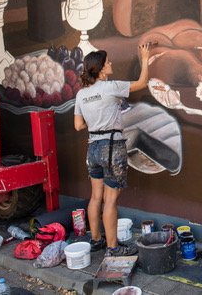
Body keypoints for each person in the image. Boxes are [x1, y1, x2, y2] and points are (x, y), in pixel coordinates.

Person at [73, 43, 150, 257]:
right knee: (111, 200)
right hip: (112, 147)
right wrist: (145, 58)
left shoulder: (81, 94)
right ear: (100, 69)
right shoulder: (111, 87)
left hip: (93, 147)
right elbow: (142, 83)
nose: (110, 63)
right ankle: (113, 248)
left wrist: (95, 120)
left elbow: (78, 125)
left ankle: (96, 240)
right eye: (107, 62)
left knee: (95, 197)